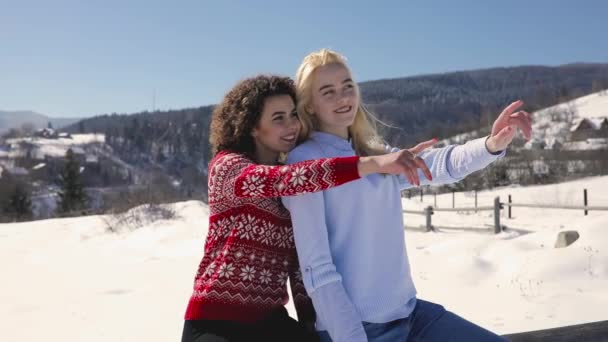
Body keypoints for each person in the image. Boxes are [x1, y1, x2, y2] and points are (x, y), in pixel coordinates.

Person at [282, 48, 532, 342]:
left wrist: (490, 144)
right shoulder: (304, 163)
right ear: (309, 105)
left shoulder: (374, 152)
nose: (343, 98)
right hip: (359, 329)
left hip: (412, 315)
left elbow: (436, 165)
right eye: (328, 92)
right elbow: (317, 269)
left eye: (348, 86)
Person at [182, 74, 436, 342]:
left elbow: (298, 262)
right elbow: (288, 180)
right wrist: (372, 164)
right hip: (218, 322)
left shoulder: (293, 184)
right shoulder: (228, 168)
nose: (291, 125)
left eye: (293, 114)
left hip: (270, 321)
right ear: (252, 127)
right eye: (278, 118)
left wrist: (309, 323)